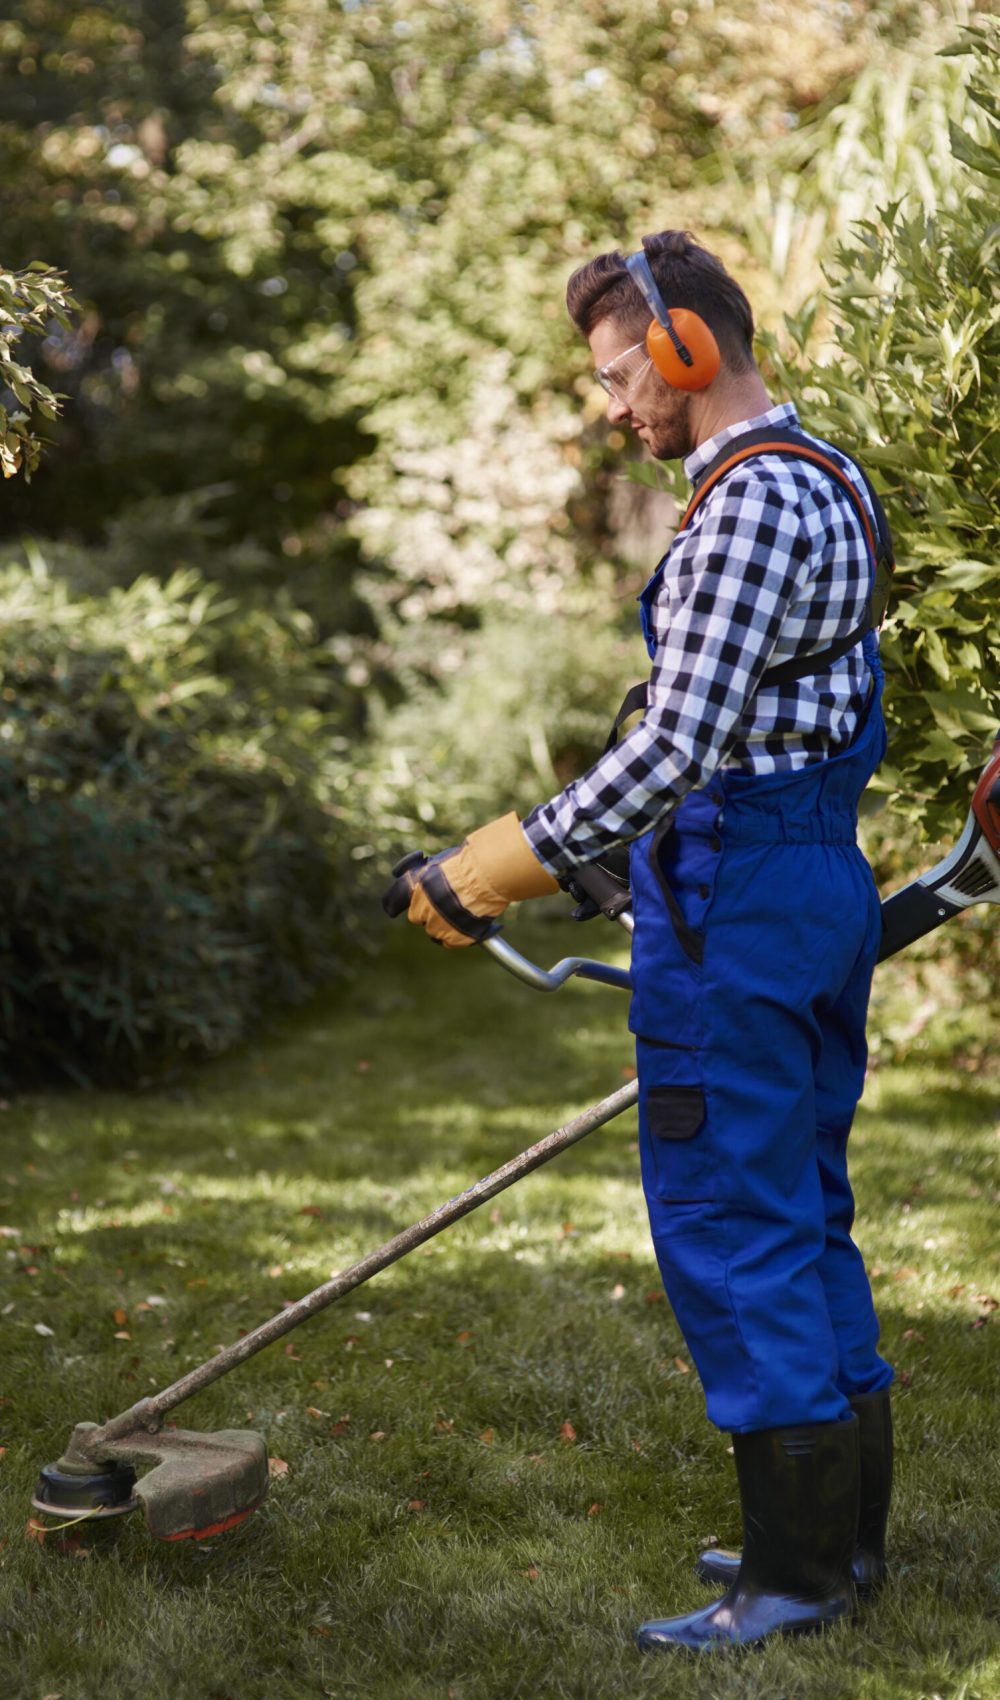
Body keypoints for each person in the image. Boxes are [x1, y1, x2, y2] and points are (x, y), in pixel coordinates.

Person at [386, 229, 894, 1652]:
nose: (613, 406)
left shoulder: (739, 510)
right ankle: (838, 1549)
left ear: (687, 349)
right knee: (805, 1206)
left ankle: (789, 1585)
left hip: (739, 899)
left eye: (622, 376)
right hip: (808, 877)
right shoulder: (828, 478)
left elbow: (677, 743)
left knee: (736, 1224)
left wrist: (496, 865)